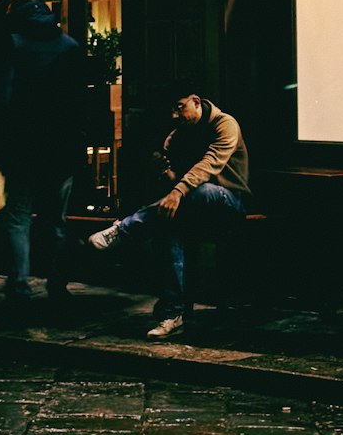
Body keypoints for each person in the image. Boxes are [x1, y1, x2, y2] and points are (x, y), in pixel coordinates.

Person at [88, 89, 250, 339]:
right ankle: (173, 314)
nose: (176, 114)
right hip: (193, 210)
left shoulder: (224, 123)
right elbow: (163, 158)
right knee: (170, 227)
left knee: (201, 191)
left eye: (180, 107)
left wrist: (178, 190)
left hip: (228, 202)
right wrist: (164, 169)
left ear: (196, 101)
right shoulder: (180, 132)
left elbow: (210, 163)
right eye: (172, 110)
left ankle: (125, 229)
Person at [0, 0, 87, 308]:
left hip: (24, 149)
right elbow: (79, 106)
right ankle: (57, 284)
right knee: (55, 221)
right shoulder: (71, 47)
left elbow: (4, 102)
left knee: (18, 218)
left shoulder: (14, 45)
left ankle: (19, 285)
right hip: (62, 151)